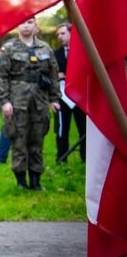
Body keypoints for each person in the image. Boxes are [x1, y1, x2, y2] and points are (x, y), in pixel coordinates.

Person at [0, 17, 60, 190]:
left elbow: (53, 74)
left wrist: (54, 99)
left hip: (39, 101)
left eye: (30, 22)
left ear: (36, 26)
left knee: (37, 142)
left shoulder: (45, 48)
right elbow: (0, 76)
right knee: (19, 141)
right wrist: (5, 101)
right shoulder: (7, 48)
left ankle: (36, 181)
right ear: (17, 26)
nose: (26, 25)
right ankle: (21, 181)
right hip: (17, 102)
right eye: (22, 22)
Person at [53, 23, 86, 162]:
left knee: (84, 129)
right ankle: (61, 157)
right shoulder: (55, 54)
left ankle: (86, 157)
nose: (60, 37)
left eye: (63, 33)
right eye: (58, 34)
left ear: (71, 34)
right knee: (62, 129)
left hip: (80, 97)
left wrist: (66, 75)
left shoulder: (82, 51)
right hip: (62, 97)